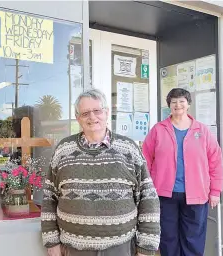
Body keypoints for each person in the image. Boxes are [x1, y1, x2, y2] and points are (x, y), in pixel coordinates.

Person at [41, 89, 160, 256]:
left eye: (97, 110)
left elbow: (148, 197)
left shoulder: (128, 149)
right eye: (85, 113)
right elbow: (49, 197)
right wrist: (51, 240)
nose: (92, 117)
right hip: (74, 248)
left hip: (120, 247)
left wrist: (146, 247)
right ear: (78, 118)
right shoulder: (63, 150)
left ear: (106, 113)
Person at [142, 88, 223, 256]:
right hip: (165, 195)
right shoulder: (158, 130)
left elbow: (215, 161)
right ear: (169, 106)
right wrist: (147, 188)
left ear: (188, 104)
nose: (178, 105)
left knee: (193, 238)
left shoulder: (202, 130)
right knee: (168, 237)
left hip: (197, 194)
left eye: (181, 101)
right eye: (173, 102)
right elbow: (145, 159)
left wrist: (215, 191)